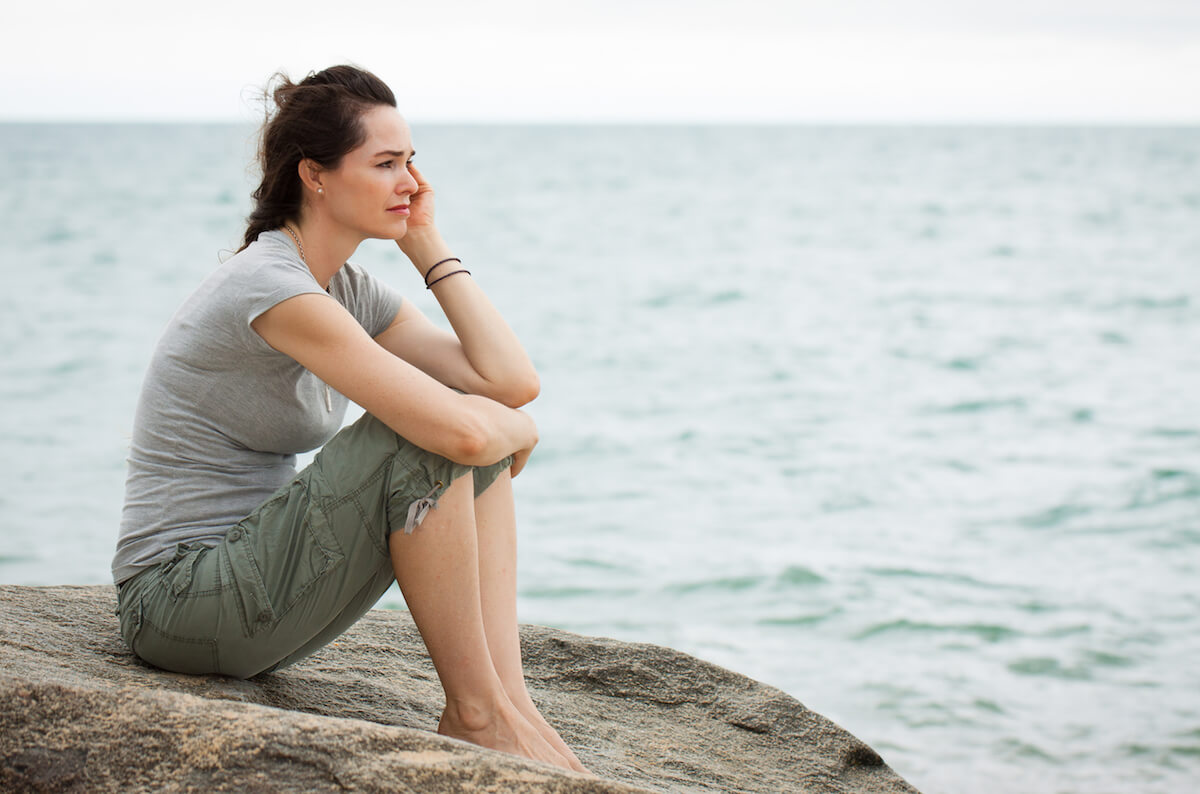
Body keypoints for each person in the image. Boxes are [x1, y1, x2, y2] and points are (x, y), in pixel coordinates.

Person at [112, 64, 586, 773]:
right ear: (316, 176)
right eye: (386, 164)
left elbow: (509, 382)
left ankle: (508, 706)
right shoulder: (272, 287)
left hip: (253, 591)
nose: (411, 183)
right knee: (424, 436)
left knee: (461, 429)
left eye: (412, 162)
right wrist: (515, 428)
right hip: (178, 600)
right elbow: (466, 430)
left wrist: (426, 245)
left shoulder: (347, 290)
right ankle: (476, 715)